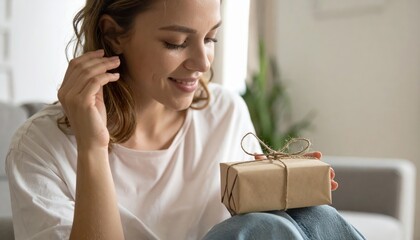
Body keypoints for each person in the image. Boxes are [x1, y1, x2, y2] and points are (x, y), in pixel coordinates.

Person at [5, 0, 365, 239]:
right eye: (177, 42)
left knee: (315, 217)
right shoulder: (39, 146)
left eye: (211, 38)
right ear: (114, 34)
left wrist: (286, 185)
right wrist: (92, 147)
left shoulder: (224, 110)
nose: (203, 62)